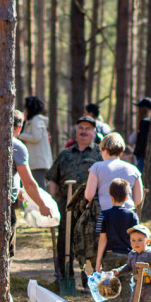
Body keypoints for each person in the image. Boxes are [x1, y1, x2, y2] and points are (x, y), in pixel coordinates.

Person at [0, 110, 52, 258]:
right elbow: (29, 183)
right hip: (4, 203)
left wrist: (16, 190)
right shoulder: (16, 146)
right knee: (6, 249)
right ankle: (2, 280)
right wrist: (42, 205)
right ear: (19, 127)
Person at [46, 115, 100, 278]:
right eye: (81, 128)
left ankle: (89, 278)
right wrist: (53, 201)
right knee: (64, 241)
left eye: (87, 128)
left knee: (90, 242)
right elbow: (53, 179)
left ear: (94, 132)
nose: (83, 131)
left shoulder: (100, 153)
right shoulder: (65, 154)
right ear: (76, 131)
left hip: (91, 206)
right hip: (66, 205)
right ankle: (64, 275)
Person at [94, 178, 138, 302]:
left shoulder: (104, 215)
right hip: (128, 257)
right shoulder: (132, 216)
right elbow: (136, 240)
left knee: (111, 291)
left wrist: (98, 262)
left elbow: (102, 239)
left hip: (110, 256)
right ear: (127, 198)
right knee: (127, 291)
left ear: (110, 196)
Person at [85, 131, 143, 212]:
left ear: (105, 150)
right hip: (127, 215)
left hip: (103, 214)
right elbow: (138, 200)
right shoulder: (134, 169)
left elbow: (89, 195)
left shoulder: (96, 167)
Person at [18, 96, 53, 189]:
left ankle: (44, 204)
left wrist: (20, 135)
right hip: (37, 163)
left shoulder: (36, 120)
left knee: (40, 190)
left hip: (38, 163)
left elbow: (36, 137)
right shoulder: (34, 120)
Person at [130, 97, 151, 171]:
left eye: (140, 108)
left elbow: (143, 141)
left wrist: (138, 152)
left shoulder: (145, 123)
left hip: (143, 158)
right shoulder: (145, 122)